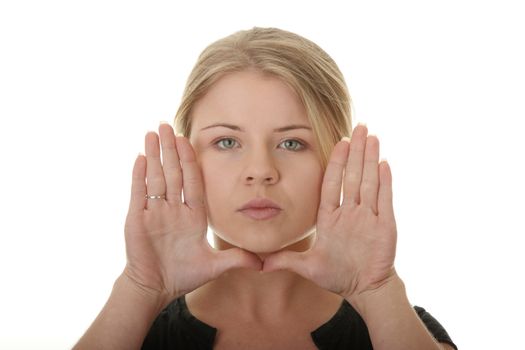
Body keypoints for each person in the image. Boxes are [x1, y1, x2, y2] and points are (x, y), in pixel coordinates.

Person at [73, 27, 458, 349]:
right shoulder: (138, 331)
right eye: (227, 142)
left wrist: (375, 290)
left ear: (335, 159)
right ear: (184, 154)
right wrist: (140, 287)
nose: (260, 171)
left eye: (292, 143)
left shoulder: (399, 327)